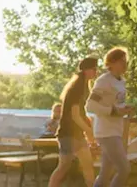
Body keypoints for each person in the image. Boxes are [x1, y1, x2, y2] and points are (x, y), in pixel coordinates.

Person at [48, 56, 99, 187]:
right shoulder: (77, 88)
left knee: (88, 165)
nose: (96, 72)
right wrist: (89, 130)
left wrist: (89, 128)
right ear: (87, 70)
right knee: (63, 167)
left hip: (77, 135)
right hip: (67, 135)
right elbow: (75, 115)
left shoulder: (83, 87)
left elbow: (81, 113)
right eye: (94, 69)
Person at [86, 47, 132, 187]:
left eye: (126, 61)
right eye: (121, 61)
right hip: (106, 132)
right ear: (110, 63)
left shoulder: (121, 81)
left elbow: (117, 104)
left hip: (116, 130)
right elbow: (90, 106)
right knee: (124, 169)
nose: (125, 64)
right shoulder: (103, 81)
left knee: (106, 172)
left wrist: (126, 110)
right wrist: (112, 111)